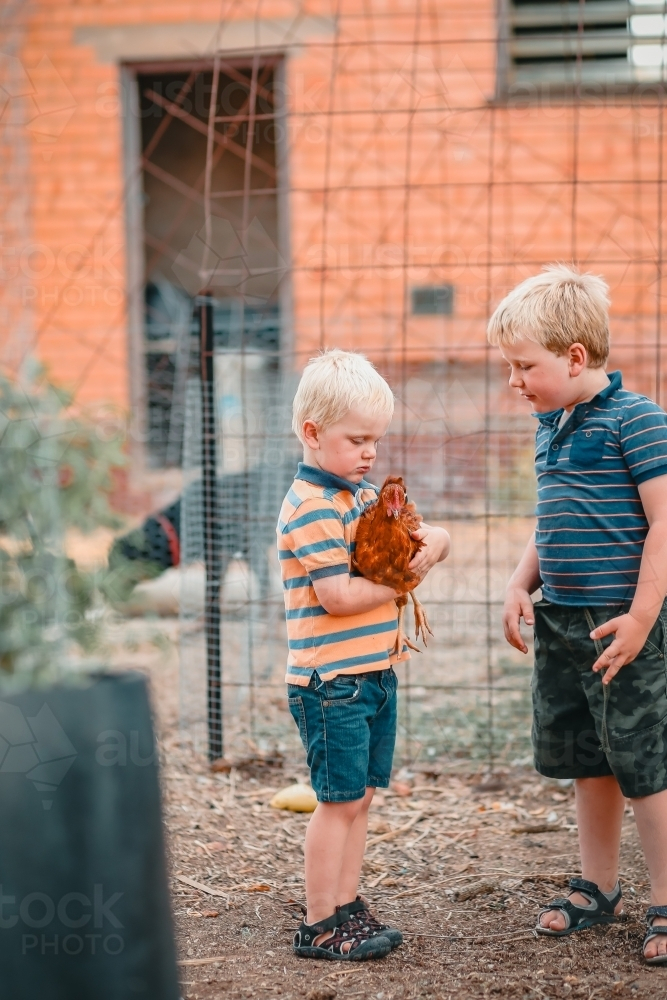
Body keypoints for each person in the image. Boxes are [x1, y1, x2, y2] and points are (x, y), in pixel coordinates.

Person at [487, 265, 667, 964]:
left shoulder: (638, 421)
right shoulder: (547, 424)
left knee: (642, 762)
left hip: (619, 622)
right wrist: (515, 583)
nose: (513, 381)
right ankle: (597, 885)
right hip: (560, 620)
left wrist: (642, 616)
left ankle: (665, 900)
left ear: (572, 356)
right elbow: (549, 521)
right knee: (587, 760)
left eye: (522, 365)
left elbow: (662, 524)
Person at [277, 349, 450, 961]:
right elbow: (338, 596)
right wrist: (404, 581)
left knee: (363, 796)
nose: (371, 452)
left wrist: (437, 543)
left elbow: (417, 531)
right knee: (338, 801)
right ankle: (320, 923)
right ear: (313, 433)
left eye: (376, 439)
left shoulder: (361, 495)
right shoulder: (311, 507)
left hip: (373, 674)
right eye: (357, 440)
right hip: (331, 682)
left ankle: (346, 905)